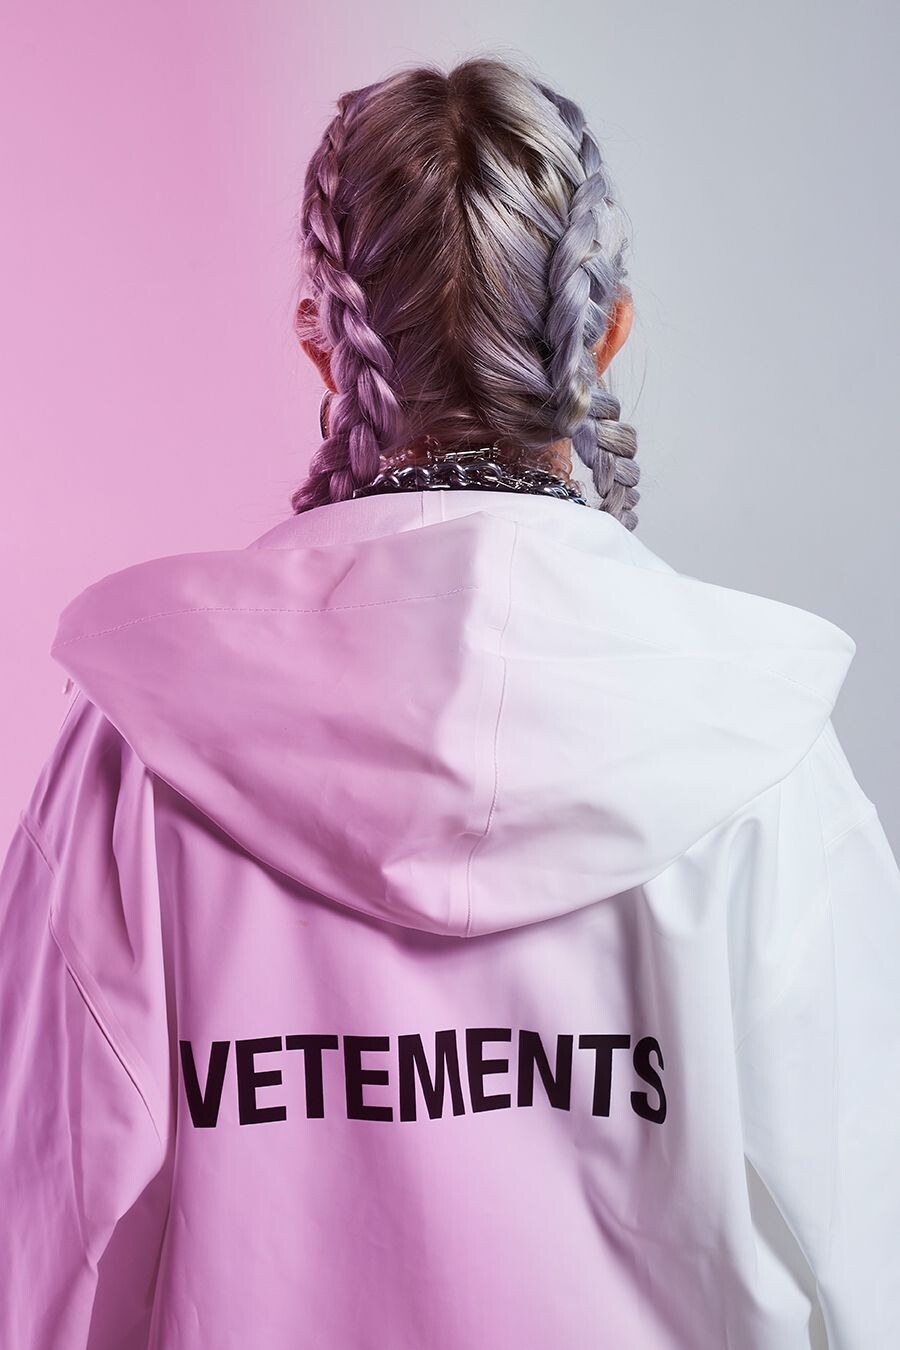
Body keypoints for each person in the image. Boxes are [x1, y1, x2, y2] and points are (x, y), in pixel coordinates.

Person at [1, 54, 897, 1350]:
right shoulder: (756, 747)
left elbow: (40, 1243)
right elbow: (875, 1242)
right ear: (606, 334)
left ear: (323, 339)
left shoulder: (138, 747)